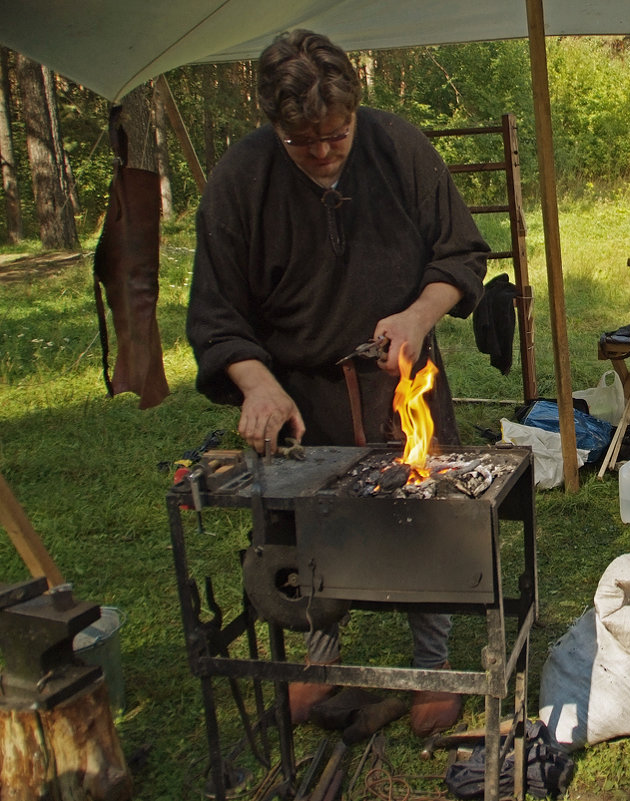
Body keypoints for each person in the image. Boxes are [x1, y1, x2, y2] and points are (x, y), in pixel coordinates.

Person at [187, 30, 489, 734]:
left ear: (356, 110)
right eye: (304, 141)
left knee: (427, 520)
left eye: (336, 133)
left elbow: (462, 254)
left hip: (400, 381)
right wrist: (257, 383)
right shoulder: (241, 181)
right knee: (308, 528)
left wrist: (417, 315)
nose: (323, 151)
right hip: (300, 394)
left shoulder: (398, 149)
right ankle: (317, 663)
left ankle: (433, 666)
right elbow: (215, 313)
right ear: (273, 126)